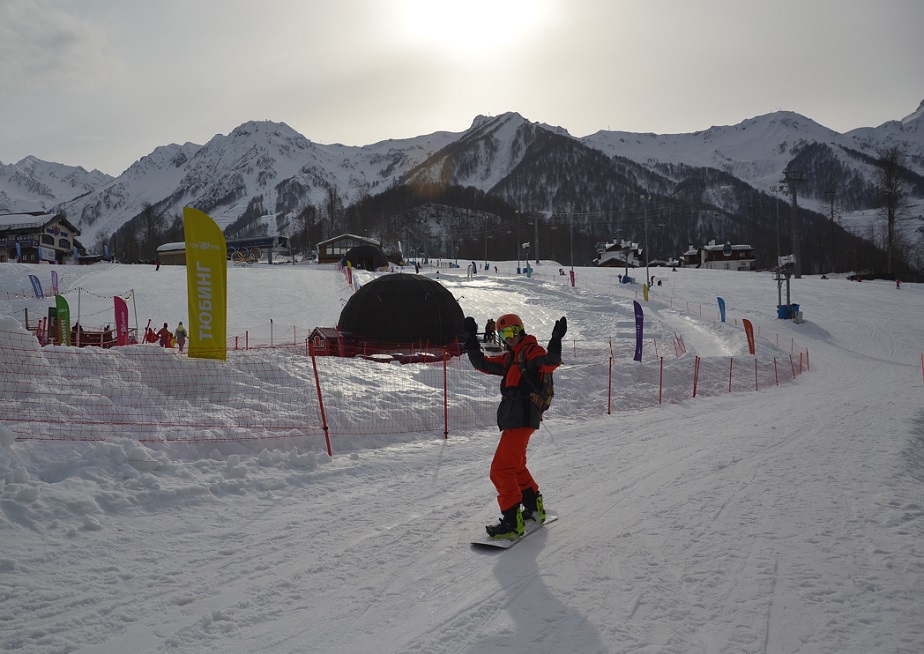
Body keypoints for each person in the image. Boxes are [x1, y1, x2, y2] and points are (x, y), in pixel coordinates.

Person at [465, 312, 567, 540]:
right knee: (516, 466)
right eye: (503, 333)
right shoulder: (511, 357)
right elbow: (482, 364)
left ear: (520, 329)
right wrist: (471, 339)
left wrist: (556, 343)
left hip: (522, 416)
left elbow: (548, 364)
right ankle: (532, 507)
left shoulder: (531, 351)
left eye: (511, 331)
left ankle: (512, 522)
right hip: (516, 417)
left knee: (500, 470)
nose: (508, 337)